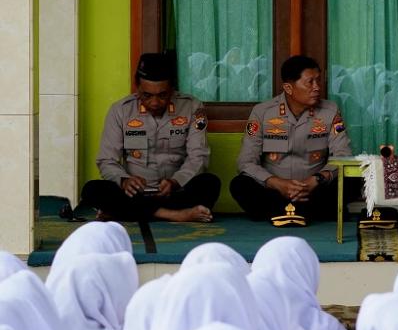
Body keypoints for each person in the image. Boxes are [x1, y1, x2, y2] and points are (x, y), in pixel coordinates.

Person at [81, 53, 219, 223]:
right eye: (147, 95)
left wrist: (175, 182)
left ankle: (122, 213)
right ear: (137, 87)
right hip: (134, 194)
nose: (154, 102)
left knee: (210, 183)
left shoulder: (194, 108)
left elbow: (199, 157)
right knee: (92, 190)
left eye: (162, 95)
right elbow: (106, 160)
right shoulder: (120, 111)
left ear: (172, 89)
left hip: (174, 192)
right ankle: (174, 215)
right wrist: (124, 181)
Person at [230, 55, 355, 222]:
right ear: (288, 88)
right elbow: (245, 162)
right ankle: (309, 213)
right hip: (274, 191)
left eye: (318, 81)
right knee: (240, 185)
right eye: (309, 82)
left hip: (314, 189)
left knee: (354, 181)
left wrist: (316, 180)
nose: (317, 87)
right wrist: (276, 183)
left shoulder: (330, 111)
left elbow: (342, 155)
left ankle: (284, 213)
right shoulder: (262, 112)